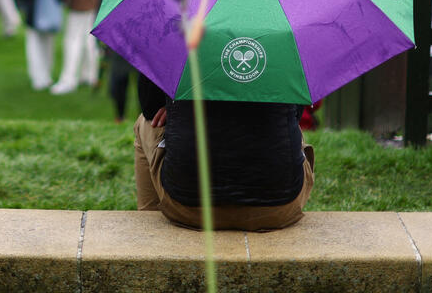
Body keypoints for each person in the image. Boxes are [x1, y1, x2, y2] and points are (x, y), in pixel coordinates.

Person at [134, 77, 314, 231]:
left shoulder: (173, 37)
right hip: (279, 208)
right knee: (290, 128)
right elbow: (296, 112)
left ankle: (150, 228)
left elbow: (150, 106)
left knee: (144, 123)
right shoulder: (283, 40)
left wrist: (173, 107)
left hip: (186, 208)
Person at [51, 0, 101, 94]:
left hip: (80, 6)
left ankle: (68, 79)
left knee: (72, 42)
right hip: (90, 5)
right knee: (88, 41)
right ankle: (90, 74)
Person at [16, 0, 62, 90]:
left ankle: (37, 77)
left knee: (33, 46)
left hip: (31, 13)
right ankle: (46, 76)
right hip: (48, 14)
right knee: (47, 45)